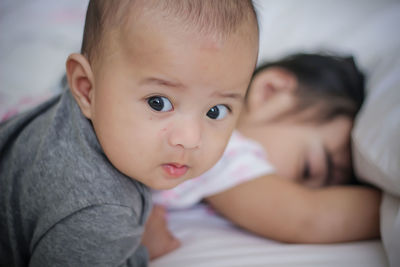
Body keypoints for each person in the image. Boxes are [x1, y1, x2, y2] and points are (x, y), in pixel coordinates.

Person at [0, 0, 259, 266]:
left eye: (215, 111)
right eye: (158, 102)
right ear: (86, 88)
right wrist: (142, 250)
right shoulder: (97, 212)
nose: (190, 139)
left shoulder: (80, 108)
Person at [153, 53, 381, 244]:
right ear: (271, 93)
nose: (292, 190)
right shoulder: (224, 151)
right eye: (308, 170)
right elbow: (310, 218)